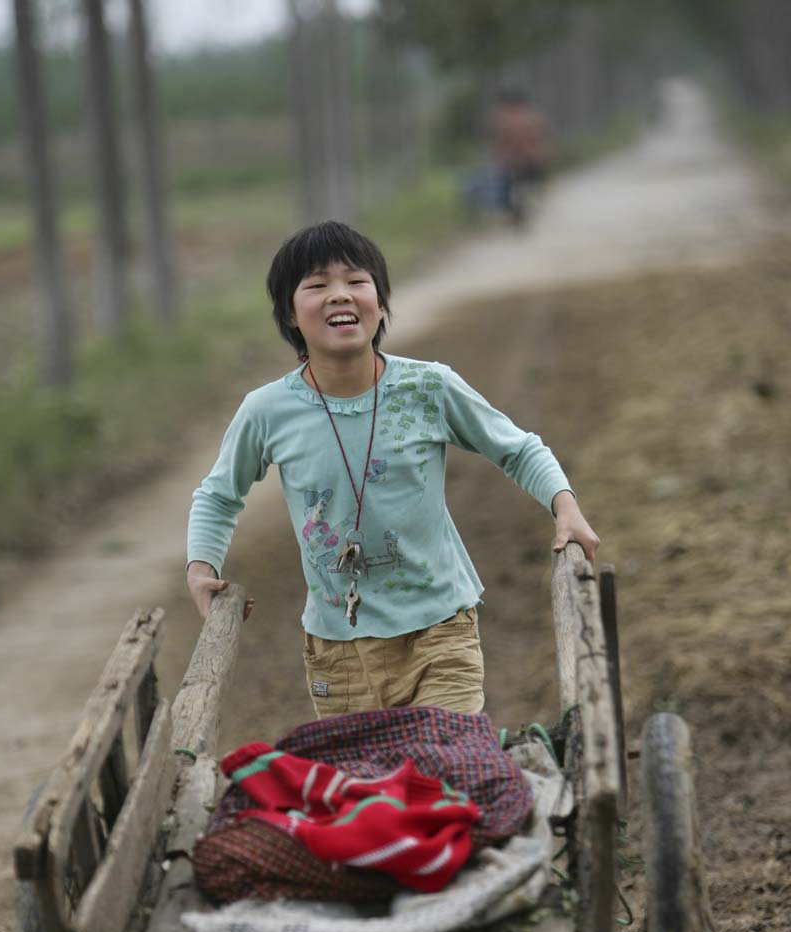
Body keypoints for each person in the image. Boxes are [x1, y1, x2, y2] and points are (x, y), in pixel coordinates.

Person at [186, 220, 598, 718]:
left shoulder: (428, 388)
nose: (339, 295)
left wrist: (565, 506)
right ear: (291, 315)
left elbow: (518, 449)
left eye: (356, 282)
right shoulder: (268, 410)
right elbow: (219, 495)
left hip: (439, 632)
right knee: (366, 790)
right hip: (337, 649)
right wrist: (201, 568)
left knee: (445, 768)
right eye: (317, 286)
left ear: (380, 304)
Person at [486, 87, 553, 223]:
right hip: (533, 163)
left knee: (503, 184)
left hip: (514, 163)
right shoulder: (533, 116)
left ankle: (516, 207)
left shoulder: (502, 119)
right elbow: (543, 140)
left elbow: (496, 144)